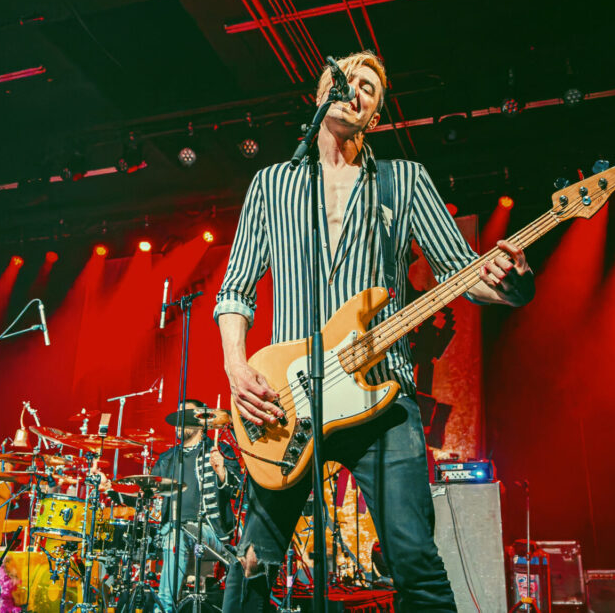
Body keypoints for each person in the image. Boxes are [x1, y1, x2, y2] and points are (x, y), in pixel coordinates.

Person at [214, 51, 535, 612]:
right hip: (292, 401)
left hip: (381, 395)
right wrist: (236, 367)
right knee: (252, 566)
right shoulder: (271, 185)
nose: (354, 90)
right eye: (344, 81)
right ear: (320, 97)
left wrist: (514, 286)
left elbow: (462, 273)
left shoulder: (403, 180)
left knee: (416, 563)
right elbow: (236, 288)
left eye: (368, 87)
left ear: (375, 117)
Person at [152, 399, 242, 612]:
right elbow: (146, 493)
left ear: (201, 422)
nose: (180, 422)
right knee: (173, 533)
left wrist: (221, 472)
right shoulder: (167, 459)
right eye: (178, 418)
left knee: (177, 534)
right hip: (173, 530)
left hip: (211, 533)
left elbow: (238, 491)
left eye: (186, 417)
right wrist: (110, 488)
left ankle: (163, 607)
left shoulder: (219, 450)